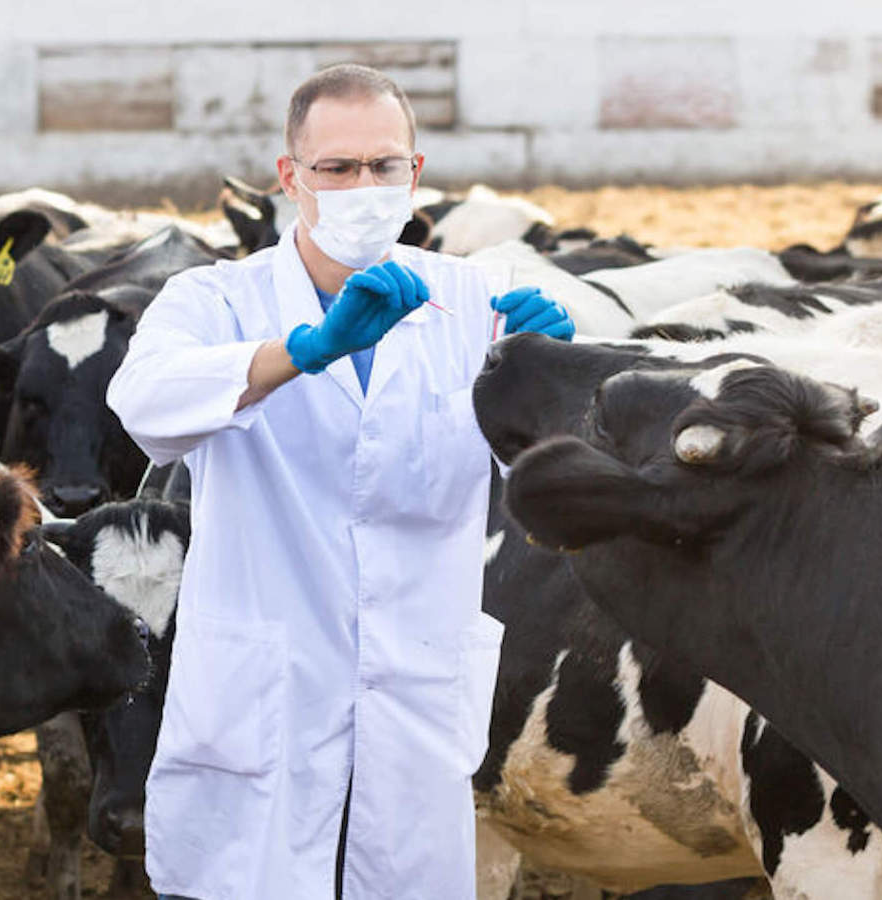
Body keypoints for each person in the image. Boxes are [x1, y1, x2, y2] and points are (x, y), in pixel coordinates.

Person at [107, 63, 575, 900]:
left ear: (415, 174)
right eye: (337, 168)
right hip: (265, 702)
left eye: (384, 165)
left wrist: (554, 385)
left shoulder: (475, 304)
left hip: (415, 693)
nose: (364, 185)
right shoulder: (216, 298)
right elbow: (144, 405)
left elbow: (542, 479)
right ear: (290, 178)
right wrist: (303, 351)